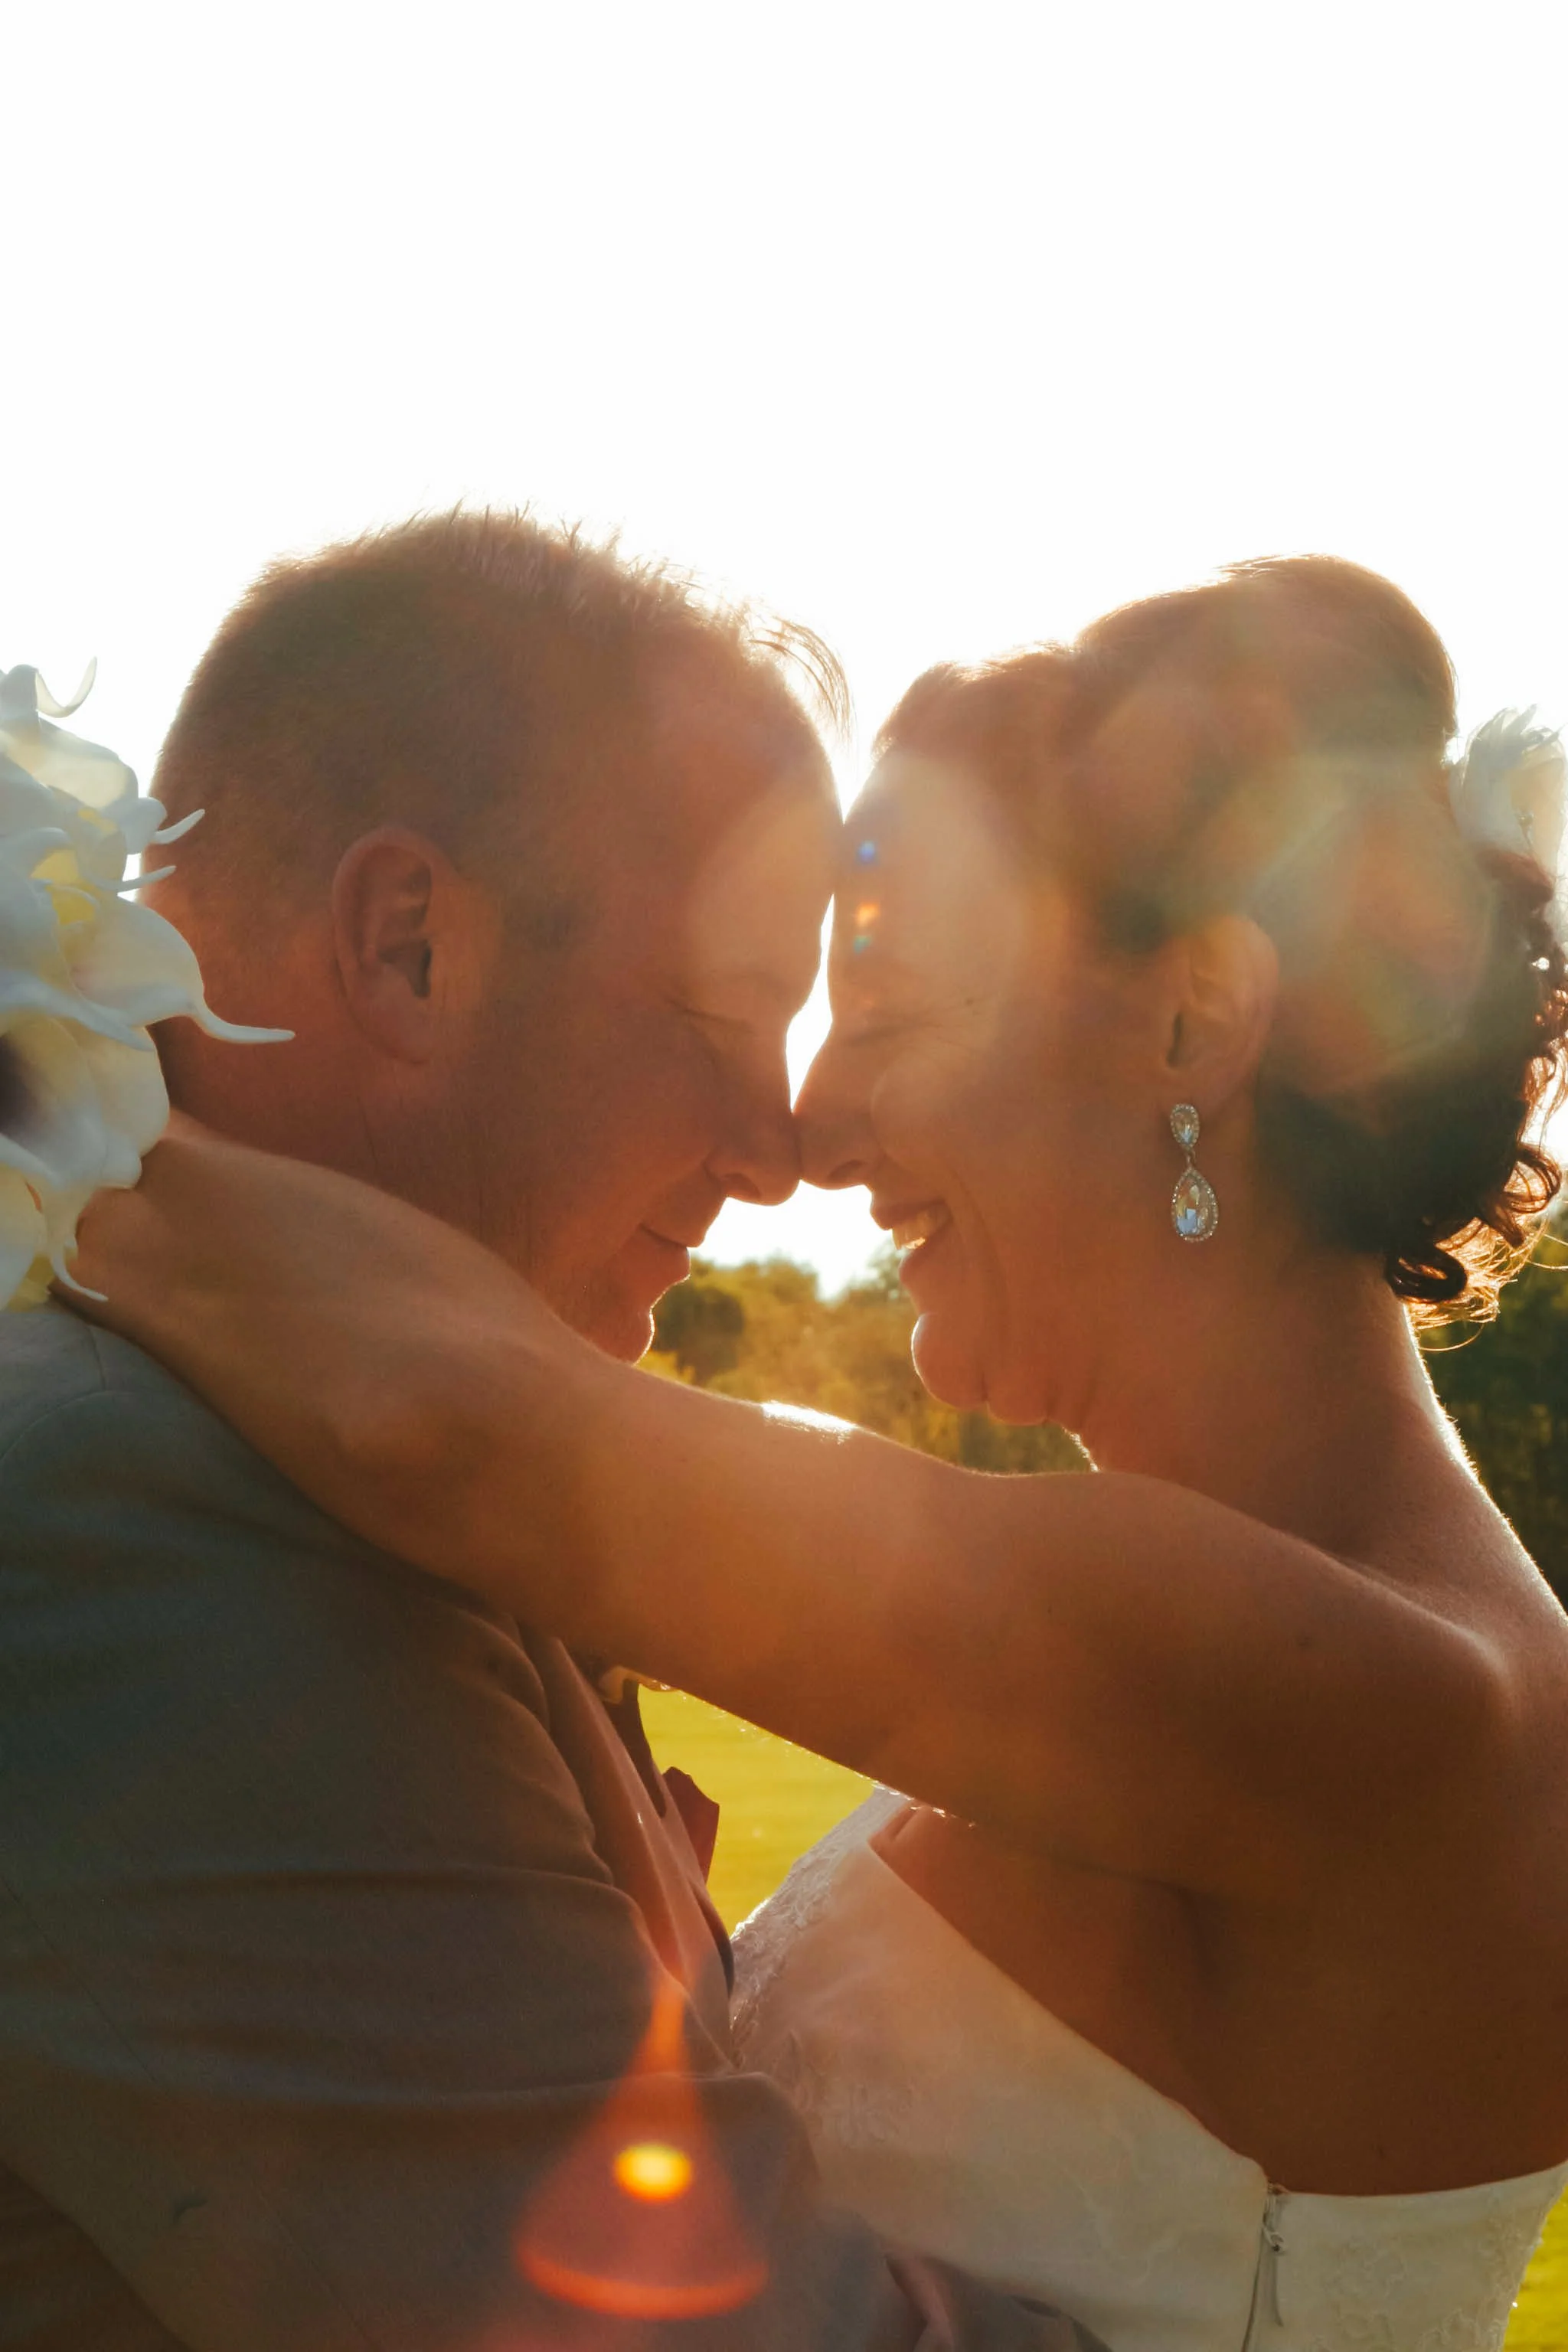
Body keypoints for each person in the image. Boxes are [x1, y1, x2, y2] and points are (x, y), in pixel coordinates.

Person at [74, 556, 1568, 2352]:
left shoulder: (1409, 1696)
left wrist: (67, 1073)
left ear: (1189, 1021)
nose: (814, 1121)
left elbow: (447, 1420)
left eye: (888, 1004)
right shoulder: (1237, 1614)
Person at [0, 511, 1102, 2350]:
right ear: (409, 943)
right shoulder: (147, 1509)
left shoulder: (349, 1449)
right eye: (729, 1009)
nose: (777, 1149)